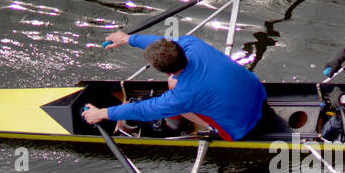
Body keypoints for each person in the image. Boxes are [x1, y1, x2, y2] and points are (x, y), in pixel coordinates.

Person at [82, 31, 268, 140]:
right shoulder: (193, 44)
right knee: (174, 85)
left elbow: (145, 110)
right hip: (259, 91)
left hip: (241, 129)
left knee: (171, 101)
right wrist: (129, 39)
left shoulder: (183, 96)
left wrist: (102, 114)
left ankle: (207, 128)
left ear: (162, 70)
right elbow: (164, 44)